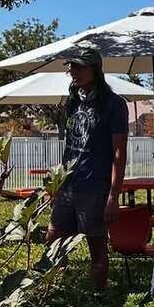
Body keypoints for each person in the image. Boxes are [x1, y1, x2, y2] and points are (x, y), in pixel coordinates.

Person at [48, 47, 129, 290]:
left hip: (95, 188)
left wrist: (113, 197)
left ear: (95, 70)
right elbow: (70, 145)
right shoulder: (73, 101)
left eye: (80, 67)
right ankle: (58, 292)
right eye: (72, 67)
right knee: (53, 240)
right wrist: (58, 183)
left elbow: (119, 152)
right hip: (68, 186)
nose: (74, 72)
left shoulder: (114, 104)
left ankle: (98, 298)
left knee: (96, 247)